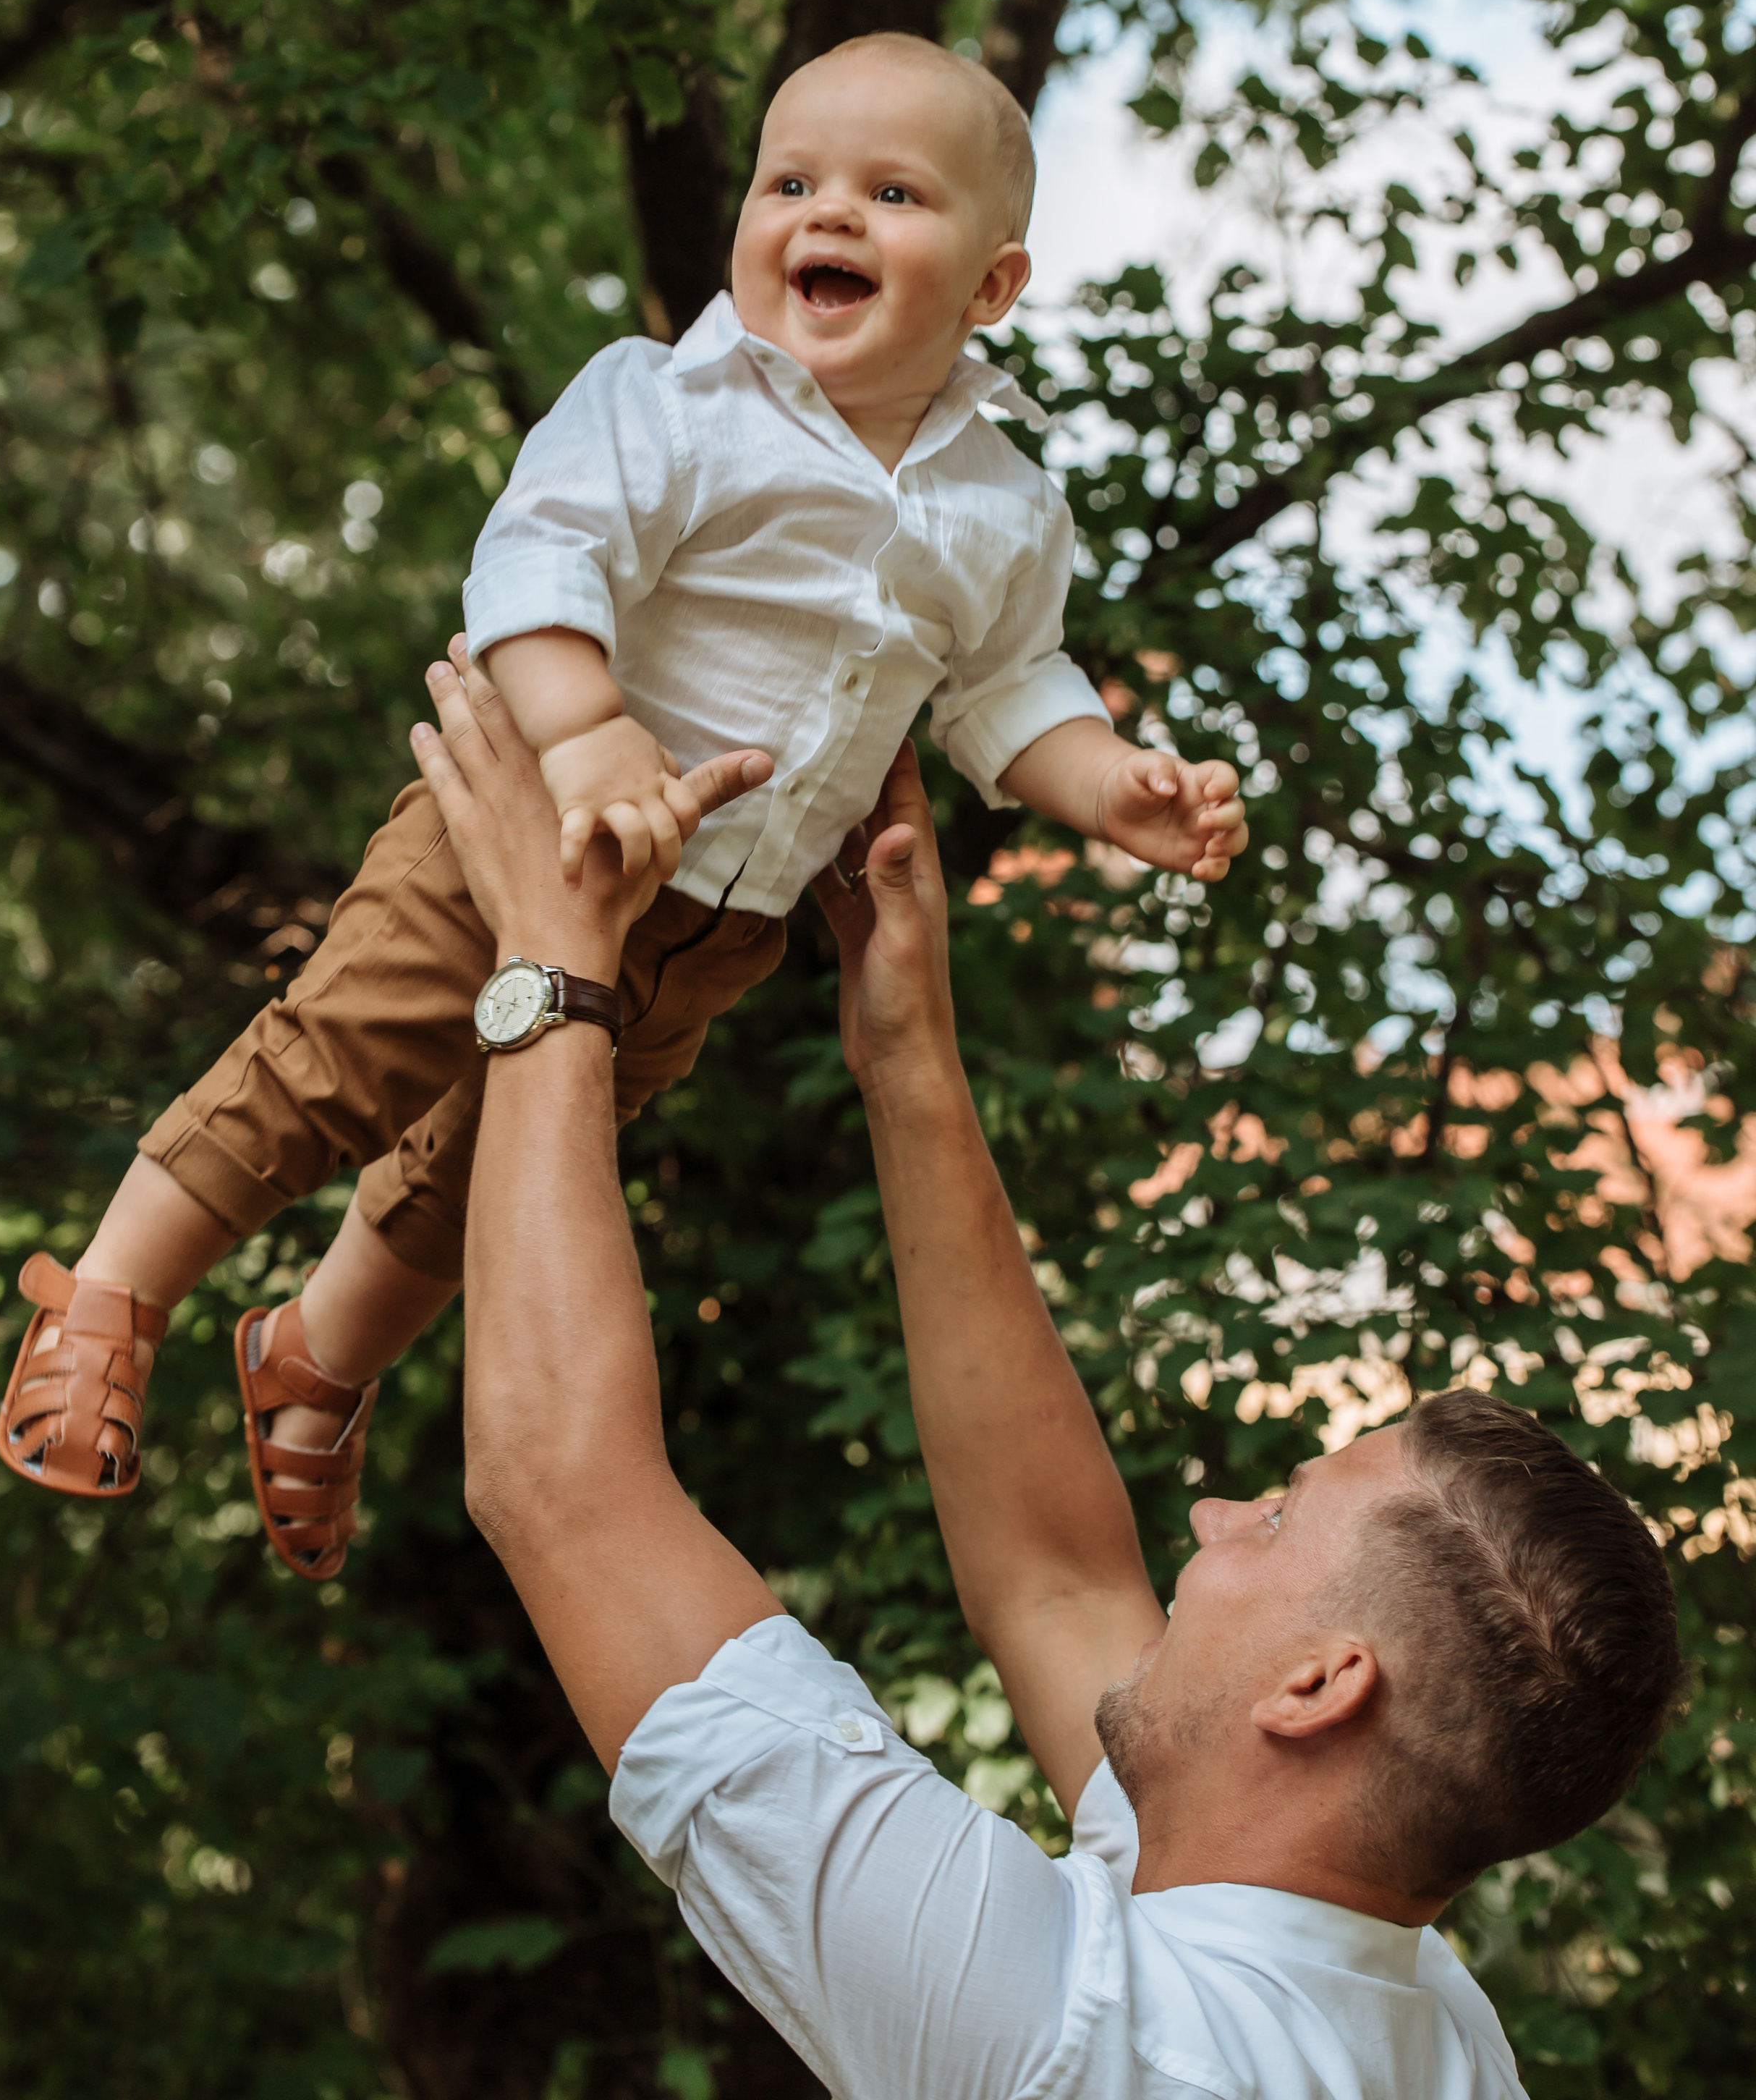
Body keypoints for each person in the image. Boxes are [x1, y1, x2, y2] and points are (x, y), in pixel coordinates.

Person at [0, 31, 1249, 1572]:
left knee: (492, 1170)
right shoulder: (670, 404)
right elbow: (537, 560)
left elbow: (1007, 692)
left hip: (712, 930)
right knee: (339, 1057)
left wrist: (1108, 787)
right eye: (789, 179)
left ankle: (317, 1358)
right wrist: (587, 733)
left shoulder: (1002, 506)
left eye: (889, 192)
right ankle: (113, 1290)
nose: (827, 214)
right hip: (517, 833)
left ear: (990, 288)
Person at [415, 654, 1683, 2100]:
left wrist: (550, 958)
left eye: (1271, 1518)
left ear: (1320, 1686)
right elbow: (1056, 1580)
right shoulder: (1408, 2014)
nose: (1204, 1523)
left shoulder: (1077, 2039)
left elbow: (562, 1492)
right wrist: (905, 1050)